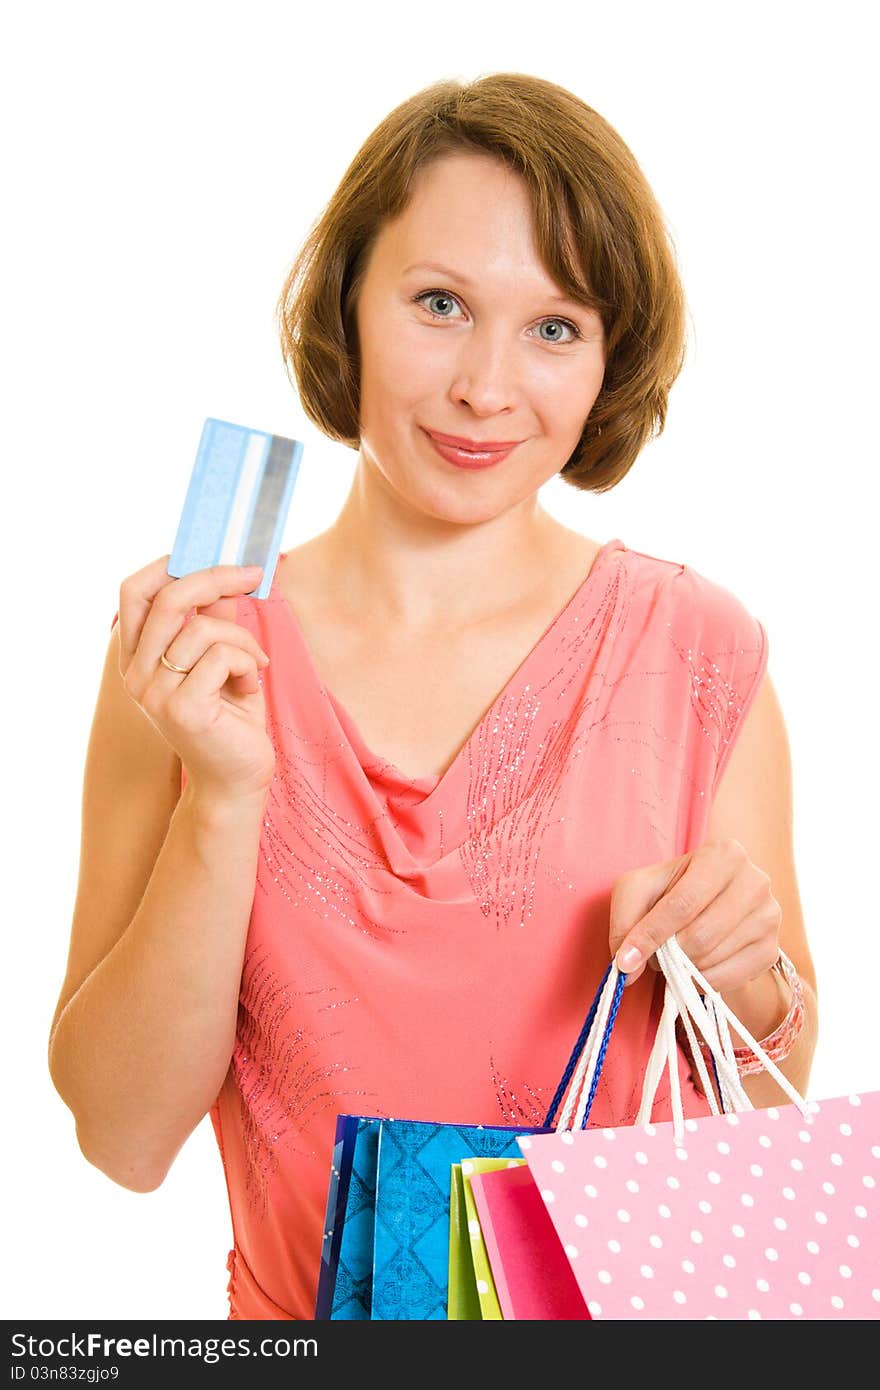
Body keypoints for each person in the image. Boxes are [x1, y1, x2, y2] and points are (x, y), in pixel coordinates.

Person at [47, 72, 817, 1321]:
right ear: (349, 304)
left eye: (555, 327)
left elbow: (761, 1097)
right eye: (440, 304)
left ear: (607, 358)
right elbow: (121, 1137)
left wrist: (751, 975)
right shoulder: (191, 655)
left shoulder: (697, 653)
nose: (485, 387)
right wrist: (224, 798)